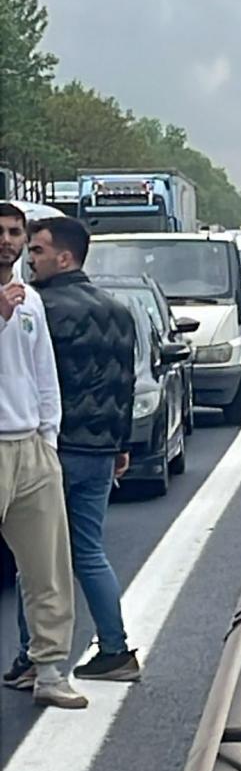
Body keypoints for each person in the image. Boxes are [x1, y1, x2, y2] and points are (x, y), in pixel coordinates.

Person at [10, 215, 139, 684]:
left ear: (64, 257)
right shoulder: (119, 310)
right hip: (101, 450)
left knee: (36, 558)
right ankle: (115, 651)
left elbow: (32, 378)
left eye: (38, 251)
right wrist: (121, 444)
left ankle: (32, 657)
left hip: (55, 449)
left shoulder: (40, 307)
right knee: (88, 552)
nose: (30, 260)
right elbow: (125, 383)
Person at [0, 203, 86, 709]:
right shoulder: (12, 304)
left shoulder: (31, 298)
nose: (7, 241)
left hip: (30, 447)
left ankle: (49, 670)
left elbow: (44, 373)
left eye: (16, 233)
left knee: (47, 568)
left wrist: (49, 439)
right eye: (0, 232)